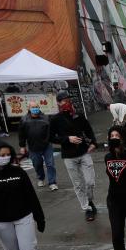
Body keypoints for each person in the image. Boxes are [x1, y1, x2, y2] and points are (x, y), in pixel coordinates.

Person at [50, 91, 98, 221]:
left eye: (68, 99)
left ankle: (90, 200)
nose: (66, 102)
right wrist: (67, 139)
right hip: (69, 157)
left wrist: (94, 142)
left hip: (84, 153)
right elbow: (51, 138)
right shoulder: (55, 119)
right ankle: (87, 208)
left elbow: (88, 130)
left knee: (90, 182)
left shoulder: (78, 115)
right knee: (78, 184)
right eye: (63, 100)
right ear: (59, 103)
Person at [18, 101, 58, 190]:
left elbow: (51, 131)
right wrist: (22, 146)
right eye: (32, 107)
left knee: (50, 164)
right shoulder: (24, 120)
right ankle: (41, 178)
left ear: (39, 107)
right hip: (33, 147)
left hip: (46, 145)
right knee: (37, 164)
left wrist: (53, 139)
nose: (35, 109)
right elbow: (21, 134)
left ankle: (52, 182)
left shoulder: (46, 118)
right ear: (28, 108)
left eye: (36, 107)